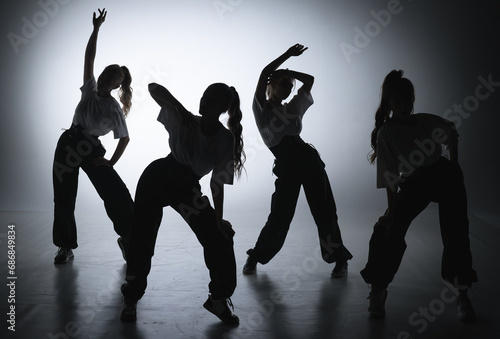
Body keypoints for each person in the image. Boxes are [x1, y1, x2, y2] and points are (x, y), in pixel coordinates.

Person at [120, 81, 245, 325]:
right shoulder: (184, 119)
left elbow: (217, 183)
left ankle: (218, 299)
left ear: (220, 107)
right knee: (143, 239)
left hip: (187, 188)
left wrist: (218, 221)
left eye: (209, 99)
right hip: (157, 178)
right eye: (203, 97)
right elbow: (153, 87)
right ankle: (132, 296)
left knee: (218, 237)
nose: (202, 102)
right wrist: (181, 110)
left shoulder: (224, 139)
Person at [360, 70, 477, 322]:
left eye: (407, 100)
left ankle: (462, 293)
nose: (403, 106)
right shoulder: (386, 133)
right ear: (390, 103)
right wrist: (392, 213)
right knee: (387, 230)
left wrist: (454, 164)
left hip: (444, 177)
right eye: (397, 102)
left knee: (456, 231)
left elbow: (451, 131)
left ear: (413, 100)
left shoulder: (425, 121)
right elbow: (390, 176)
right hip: (414, 182)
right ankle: (378, 290)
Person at [243, 44, 353, 278]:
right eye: (283, 84)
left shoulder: (293, 107)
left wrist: (290, 72)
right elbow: (264, 73)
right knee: (280, 215)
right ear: (271, 85)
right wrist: (285, 58)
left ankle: (340, 260)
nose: (288, 88)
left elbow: (310, 80)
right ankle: (255, 256)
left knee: (325, 212)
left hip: (309, 161)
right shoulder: (260, 107)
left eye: (289, 86)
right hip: (287, 165)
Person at [52, 8, 134, 264]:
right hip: (69, 143)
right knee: (64, 197)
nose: (101, 81)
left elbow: (124, 138)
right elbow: (89, 57)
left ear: (116, 85)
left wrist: (111, 163)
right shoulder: (88, 89)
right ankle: (65, 247)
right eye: (102, 76)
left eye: (108, 80)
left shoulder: (112, 108)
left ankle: (129, 239)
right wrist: (96, 29)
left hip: (90, 149)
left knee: (115, 193)